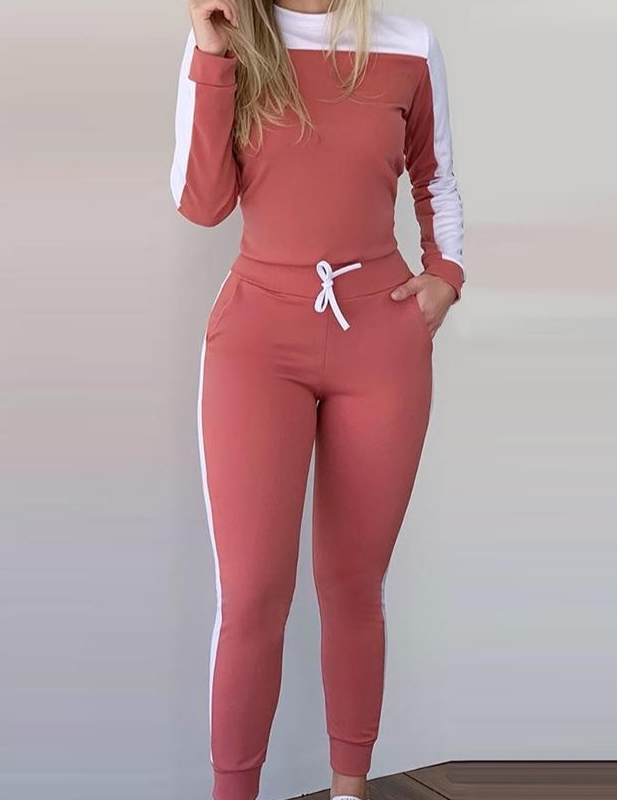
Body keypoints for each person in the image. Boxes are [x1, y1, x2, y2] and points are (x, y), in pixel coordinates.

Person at [170, 1, 464, 798]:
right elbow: (200, 201)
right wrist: (210, 53)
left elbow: (436, 175)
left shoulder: (410, 45)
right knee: (253, 597)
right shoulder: (232, 40)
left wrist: (446, 274)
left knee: (354, 586)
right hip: (258, 346)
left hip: (380, 342)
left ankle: (349, 791)